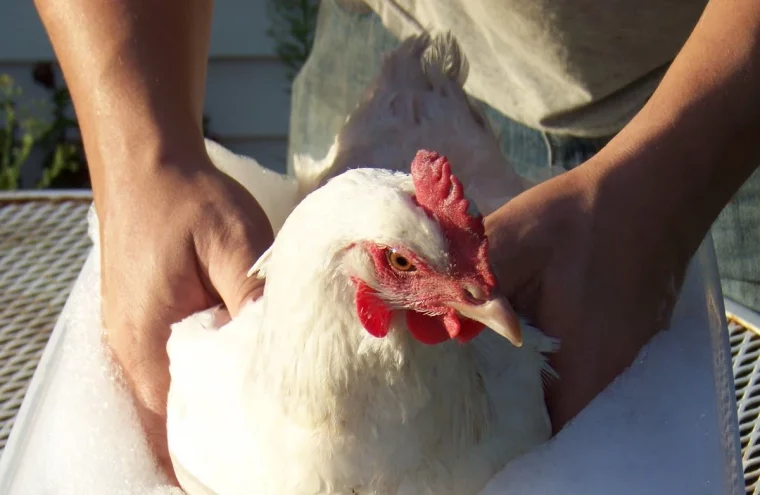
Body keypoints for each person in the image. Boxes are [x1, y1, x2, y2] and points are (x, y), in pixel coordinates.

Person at [34, 0, 760, 470]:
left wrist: (663, 194)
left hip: (722, 85)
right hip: (394, 26)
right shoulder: (224, 406)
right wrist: (142, 156)